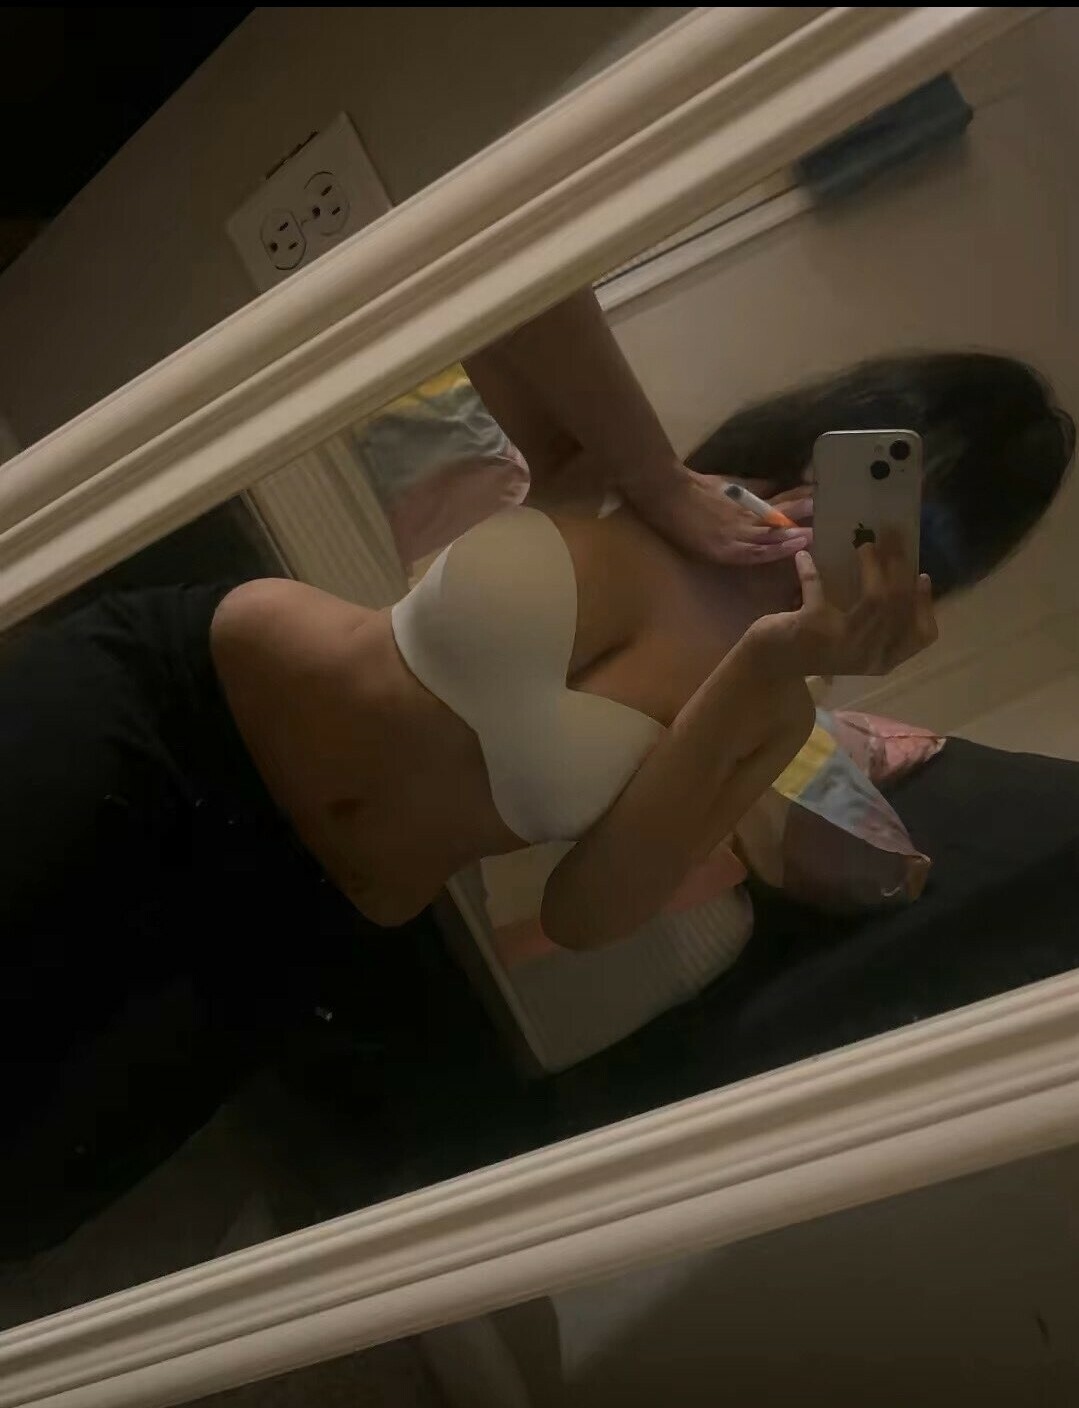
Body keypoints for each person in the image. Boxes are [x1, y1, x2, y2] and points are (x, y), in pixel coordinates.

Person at [0, 289, 1071, 1249]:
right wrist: (657, 477)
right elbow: (505, 275)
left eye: (915, 540)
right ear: (844, 435)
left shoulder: (772, 705)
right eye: (886, 477)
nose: (864, 533)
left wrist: (766, 662)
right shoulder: (621, 476)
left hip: (289, 926)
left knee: (29, 1189)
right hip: (181, 711)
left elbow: (586, 910)